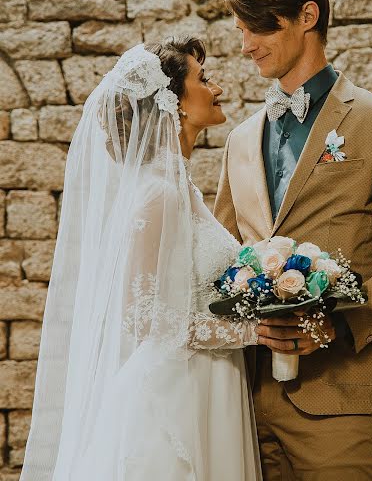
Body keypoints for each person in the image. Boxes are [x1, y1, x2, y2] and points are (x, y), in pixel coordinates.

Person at [214, 0, 372, 481]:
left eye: (257, 29)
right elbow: (226, 253)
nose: (245, 45)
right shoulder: (241, 138)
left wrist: (336, 324)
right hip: (248, 402)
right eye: (241, 30)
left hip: (343, 396)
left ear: (307, 17)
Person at [20, 38, 262, 481]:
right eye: (203, 79)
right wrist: (252, 330)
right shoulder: (158, 196)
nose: (218, 88)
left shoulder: (177, 188)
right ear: (175, 104)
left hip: (208, 380)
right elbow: (144, 318)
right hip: (178, 395)